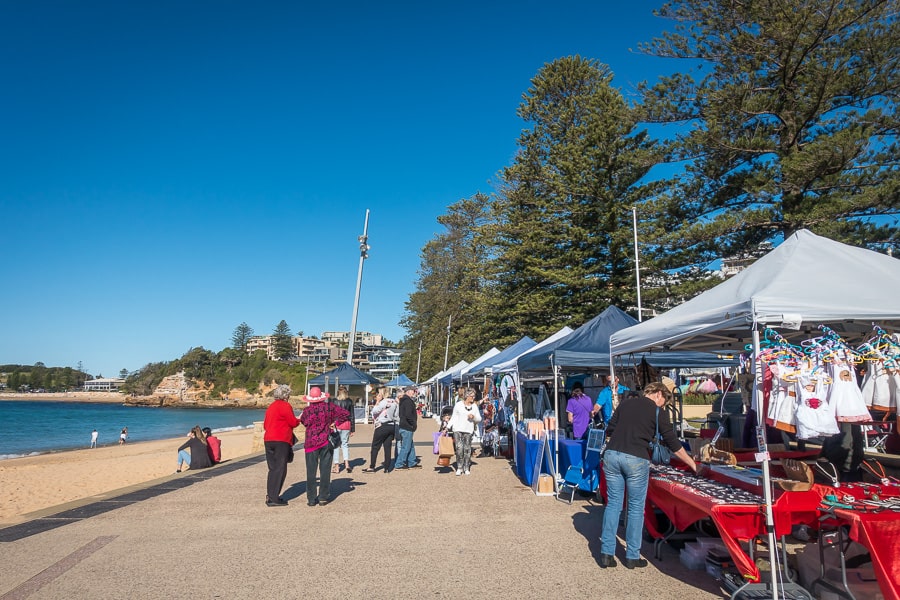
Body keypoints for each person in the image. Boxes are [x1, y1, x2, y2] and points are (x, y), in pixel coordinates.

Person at [599, 381, 697, 569]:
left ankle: (606, 553)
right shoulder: (659, 412)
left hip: (612, 455)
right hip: (636, 458)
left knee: (613, 505)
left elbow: (610, 428)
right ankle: (632, 556)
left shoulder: (625, 403)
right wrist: (692, 463)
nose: (664, 405)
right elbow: (673, 444)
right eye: (665, 401)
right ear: (659, 394)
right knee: (635, 508)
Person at [300, 386, 349, 506]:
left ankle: (311, 499)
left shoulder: (307, 411)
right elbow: (345, 414)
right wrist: (335, 423)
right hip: (326, 441)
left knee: (311, 472)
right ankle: (323, 497)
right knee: (325, 470)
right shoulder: (330, 407)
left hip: (311, 443)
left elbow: (304, 422)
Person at [263, 384, 299, 507]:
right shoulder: (285, 406)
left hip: (269, 439)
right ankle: (273, 497)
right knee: (280, 468)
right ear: (286, 395)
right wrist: (299, 419)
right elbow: (293, 422)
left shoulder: (271, 407)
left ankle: (271, 494)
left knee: (273, 468)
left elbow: (265, 425)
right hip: (281, 439)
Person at [449, 388, 483, 476]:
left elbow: (479, 418)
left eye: (474, 396)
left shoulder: (474, 406)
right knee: (459, 449)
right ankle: (459, 467)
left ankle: (466, 467)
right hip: (457, 429)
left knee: (467, 449)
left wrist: (474, 417)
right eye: (472, 396)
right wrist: (447, 427)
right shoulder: (458, 405)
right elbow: (454, 417)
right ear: (467, 396)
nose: (473, 397)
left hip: (468, 430)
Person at [364, 389, 399, 473]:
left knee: (375, 446)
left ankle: (372, 466)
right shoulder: (394, 402)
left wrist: (377, 401)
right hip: (391, 425)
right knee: (387, 447)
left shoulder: (383, 402)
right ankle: (387, 467)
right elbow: (396, 415)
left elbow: (374, 411)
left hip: (382, 425)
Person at [395, 386, 421, 470]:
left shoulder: (403, 400)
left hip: (404, 425)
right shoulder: (408, 401)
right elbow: (408, 415)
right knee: (406, 446)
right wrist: (413, 424)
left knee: (410, 445)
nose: (414, 392)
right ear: (408, 391)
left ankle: (412, 462)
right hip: (407, 426)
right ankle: (399, 464)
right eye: (413, 391)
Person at [332, 386, 356, 474]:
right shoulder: (349, 401)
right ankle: (347, 464)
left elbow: (332, 414)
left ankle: (337, 466)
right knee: (345, 444)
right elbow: (352, 416)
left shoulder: (334, 401)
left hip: (337, 424)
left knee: (336, 446)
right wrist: (353, 429)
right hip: (346, 424)